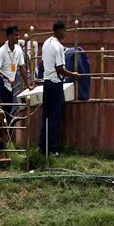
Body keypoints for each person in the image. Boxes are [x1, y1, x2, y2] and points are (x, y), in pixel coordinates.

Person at [39, 21, 78, 156]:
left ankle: (43, 148)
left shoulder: (46, 43)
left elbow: (43, 63)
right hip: (56, 84)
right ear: (58, 30)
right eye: (64, 30)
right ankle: (53, 149)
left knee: (45, 116)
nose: (65, 33)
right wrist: (72, 75)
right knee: (54, 117)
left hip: (46, 83)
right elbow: (60, 68)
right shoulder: (58, 47)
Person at [0, 25, 30, 134]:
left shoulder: (18, 50)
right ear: (9, 36)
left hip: (10, 87)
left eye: (18, 34)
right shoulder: (2, 51)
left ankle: (4, 143)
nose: (18, 37)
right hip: (2, 85)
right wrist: (8, 77)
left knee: (8, 114)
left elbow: (22, 68)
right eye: (15, 35)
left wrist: (28, 85)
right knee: (3, 113)